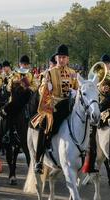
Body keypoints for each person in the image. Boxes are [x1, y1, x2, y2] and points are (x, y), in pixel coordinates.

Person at [33, 44, 78, 174]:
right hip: (55, 106)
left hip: (70, 105)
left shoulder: (73, 73)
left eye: (64, 57)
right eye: (59, 57)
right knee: (43, 125)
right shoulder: (49, 73)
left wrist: (76, 92)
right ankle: (39, 160)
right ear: (56, 58)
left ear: (68, 59)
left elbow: (78, 87)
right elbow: (41, 90)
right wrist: (47, 87)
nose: (62, 59)